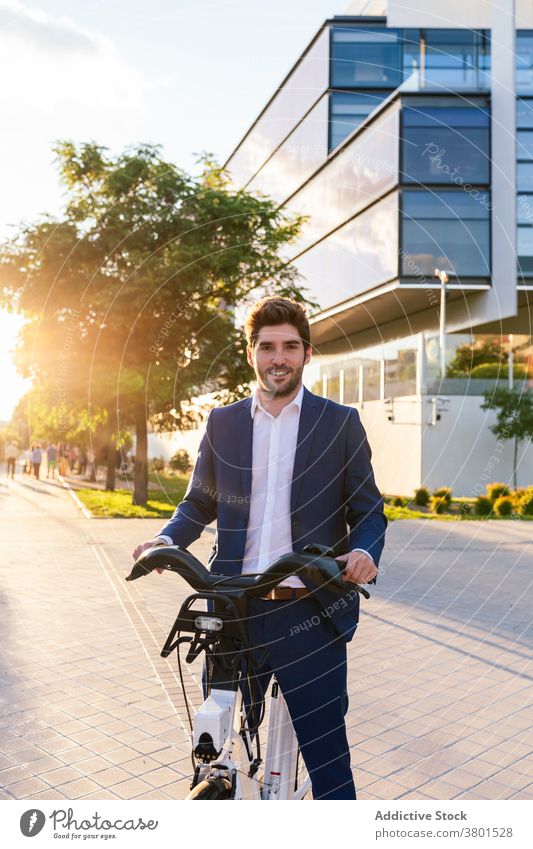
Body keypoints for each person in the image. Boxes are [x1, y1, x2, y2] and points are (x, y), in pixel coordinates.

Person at [132, 296, 387, 800]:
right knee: (214, 753)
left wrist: (365, 552)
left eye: (290, 346)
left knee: (329, 761)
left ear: (307, 354)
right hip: (233, 609)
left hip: (308, 610)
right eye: (267, 346)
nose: (279, 357)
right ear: (251, 354)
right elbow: (197, 505)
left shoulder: (339, 423)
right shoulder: (223, 423)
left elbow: (369, 510)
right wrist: (165, 540)